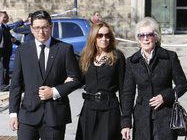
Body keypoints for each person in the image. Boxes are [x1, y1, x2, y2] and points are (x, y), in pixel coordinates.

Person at [9, 10, 81, 140]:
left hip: (54, 116)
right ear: (31, 29)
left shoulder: (64, 49)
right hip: (27, 116)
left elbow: (76, 79)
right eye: (37, 28)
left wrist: (54, 91)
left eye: (44, 27)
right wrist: (13, 114)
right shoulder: (23, 50)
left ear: (50, 26)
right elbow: (16, 85)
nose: (41, 32)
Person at [121, 17, 187, 140]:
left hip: (165, 116)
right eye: (141, 35)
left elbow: (183, 84)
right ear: (138, 39)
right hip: (142, 118)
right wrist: (126, 123)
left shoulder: (169, 57)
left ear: (156, 37)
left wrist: (165, 96)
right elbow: (127, 93)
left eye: (149, 35)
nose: (145, 38)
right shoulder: (132, 62)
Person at [75, 21, 126, 140]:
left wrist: (126, 120)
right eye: (100, 35)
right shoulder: (85, 57)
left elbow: (124, 89)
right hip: (89, 110)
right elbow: (78, 80)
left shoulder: (117, 57)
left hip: (109, 110)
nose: (104, 38)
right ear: (93, 37)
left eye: (107, 35)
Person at [0, 11, 21, 90]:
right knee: (1, 68)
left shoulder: (5, 27)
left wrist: (20, 44)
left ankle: (5, 84)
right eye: (4, 17)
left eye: (6, 17)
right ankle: (1, 85)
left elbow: (12, 38)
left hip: (7, 52)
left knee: (6, 68)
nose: (6, 19)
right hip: (1, 52)